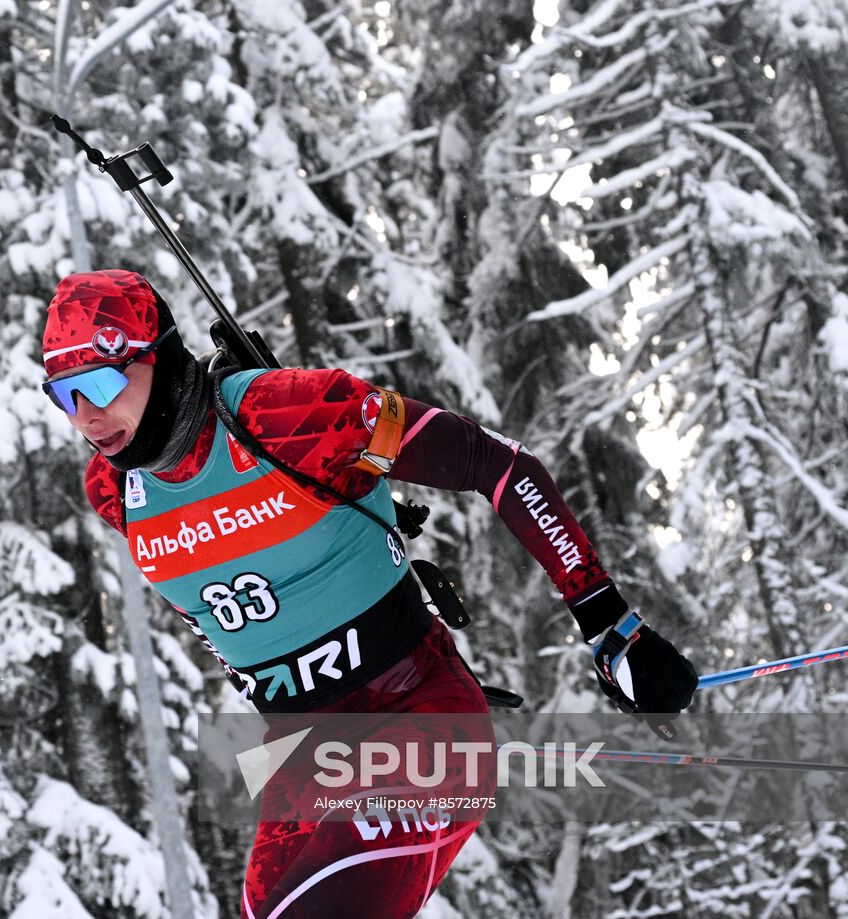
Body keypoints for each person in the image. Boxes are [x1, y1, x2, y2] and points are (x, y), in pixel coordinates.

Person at [41, 268, 698, 918]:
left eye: (102, 382)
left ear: (161, 355)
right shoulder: (115, 492)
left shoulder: (286, 413)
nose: (88, 414)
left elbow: (497, 463)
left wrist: (613, 628)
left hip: (420, 715)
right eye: (65, 396)